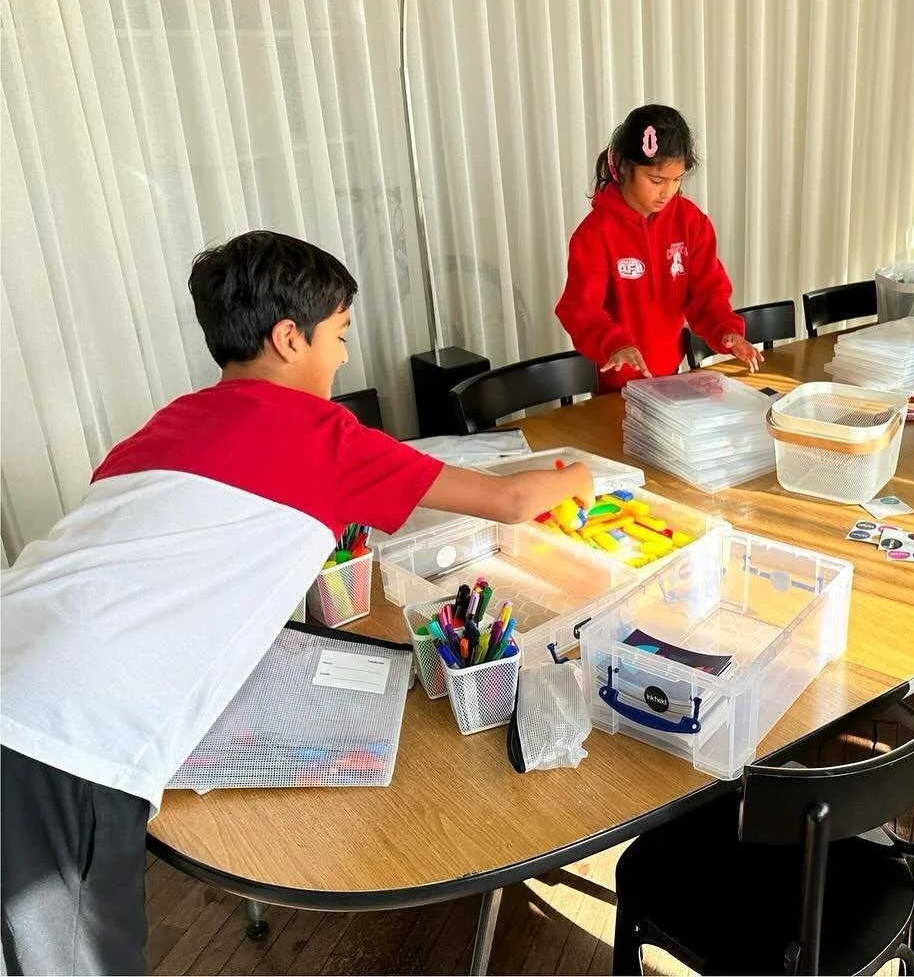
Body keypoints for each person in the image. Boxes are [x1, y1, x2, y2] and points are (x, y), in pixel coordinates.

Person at [0, 231, 593, 975]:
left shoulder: (165, 424)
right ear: (289, 338)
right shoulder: (320, 435)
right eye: (339, 336)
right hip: (58, 738)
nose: (344, 357)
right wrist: (580, 477)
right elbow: (508, 497)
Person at [555, 104, 762, 388]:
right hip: (616, 389)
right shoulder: (596, 232)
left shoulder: (690, 222)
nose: (667, 192)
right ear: (623, 167)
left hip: (671, 380)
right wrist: (614, 345)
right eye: (656, 180)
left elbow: (707, 293)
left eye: (677, 180)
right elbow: (579, 308)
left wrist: (726, 330)